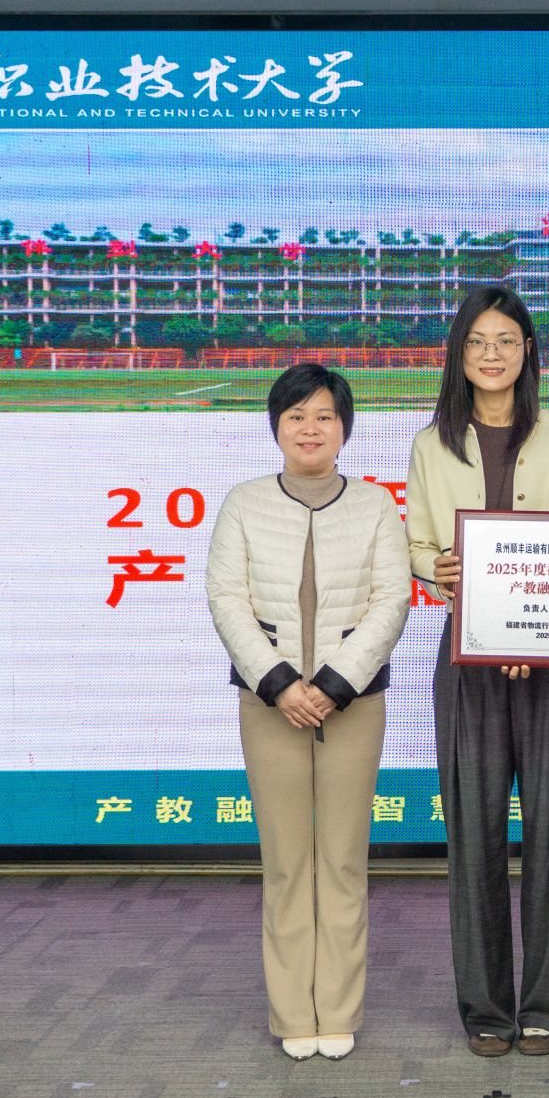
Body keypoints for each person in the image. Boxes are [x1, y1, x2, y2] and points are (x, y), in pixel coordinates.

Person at [407, 285, 549, 1057]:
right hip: (470, 659)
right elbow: (417, 543)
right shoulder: (431, 444)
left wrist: (536, 627)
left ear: (528, 351)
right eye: (478, 341)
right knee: (474, 834)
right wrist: (437, 566)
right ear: (459, 354)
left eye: (507, 340)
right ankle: (485, 1008)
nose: (492, 354)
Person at [206, 363, 410, 1062]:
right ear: (276, 426)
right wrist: (280, 684)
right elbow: (226, 599)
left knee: (343, 859)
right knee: (288, 862)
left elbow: (392, 600)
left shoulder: (376, 505)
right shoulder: (243, 503)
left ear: (344, 427)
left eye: (324, 415)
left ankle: (339, 1009)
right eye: (296, 416)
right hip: (270, 703)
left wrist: (334, 684)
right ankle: (295, 1012)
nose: (310, 428)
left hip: (353, 701)